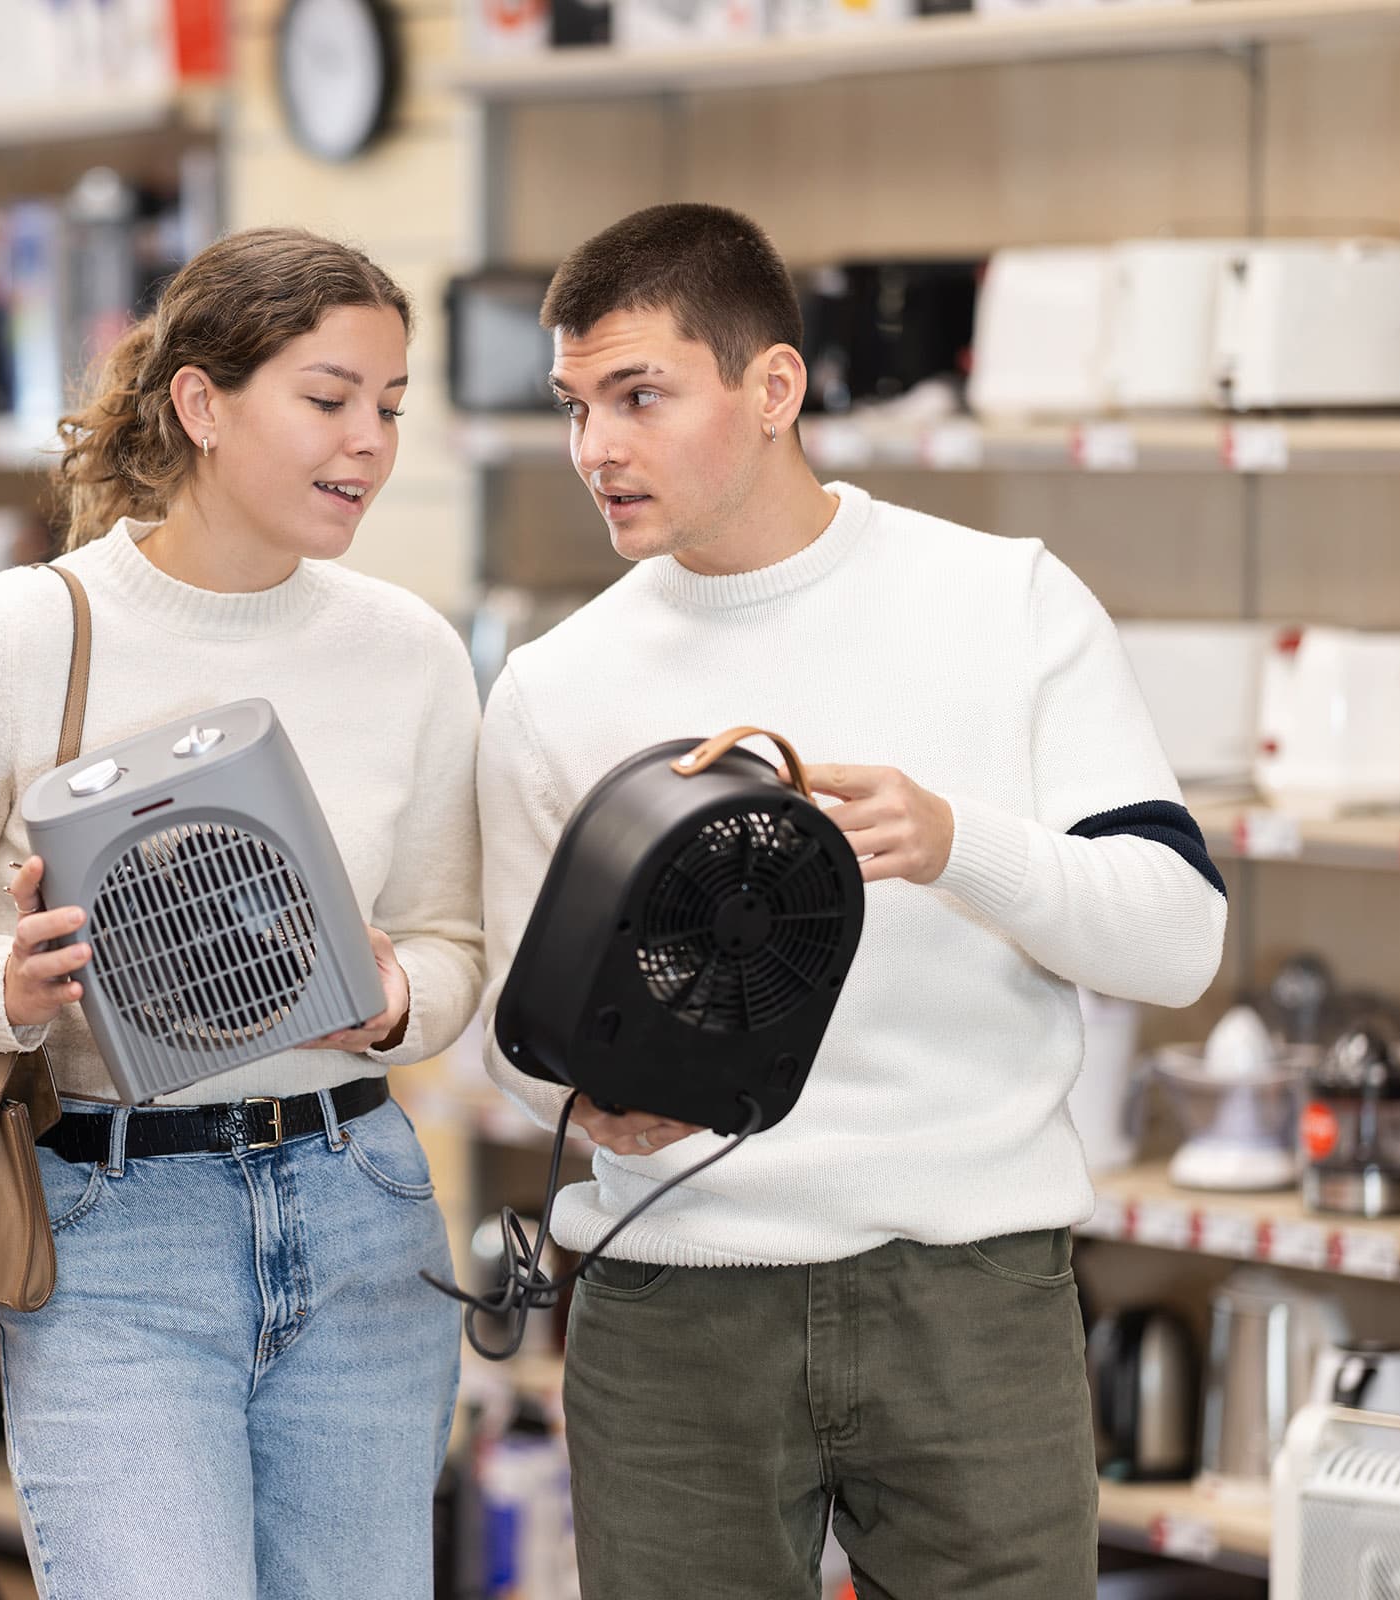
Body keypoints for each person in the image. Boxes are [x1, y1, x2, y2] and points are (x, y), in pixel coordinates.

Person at [475, 203, 1228, 1599]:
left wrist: (956, 843)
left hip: (973, 1296)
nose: (597, 450)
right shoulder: (552, 688)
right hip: (671, 1298)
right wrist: (586, 1107)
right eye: (576, 406)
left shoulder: (1007, 603)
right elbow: (511, 1029)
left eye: (640, 395)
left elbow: (1180, 936)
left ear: (775, 388)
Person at [0, 227, 481, 1600]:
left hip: (360, 1207)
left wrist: (397, 997)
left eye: (392, 407)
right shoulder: (23, 634)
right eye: (330, 397)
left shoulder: (409, 652)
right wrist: (6, 982)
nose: (370, 440)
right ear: (201, 402)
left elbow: (457, 943)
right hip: (119, 1221)